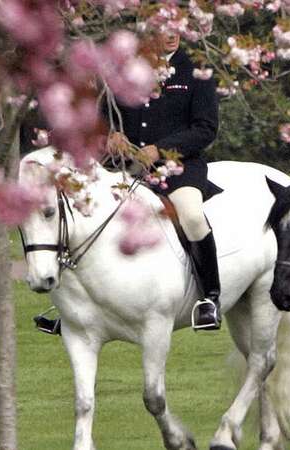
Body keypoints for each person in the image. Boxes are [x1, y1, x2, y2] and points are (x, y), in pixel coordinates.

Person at [35, 29, 222, 334]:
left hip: (180, 168)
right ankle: (70, 305)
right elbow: (104, 114)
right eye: (164, 25)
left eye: (178, 24)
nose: (171, 34)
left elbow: (206, 128)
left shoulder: (197, 71)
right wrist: (111, 134)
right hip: (127, 167)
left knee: (191, 214)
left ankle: (210, 298)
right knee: (85, 213)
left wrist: (160, 150)